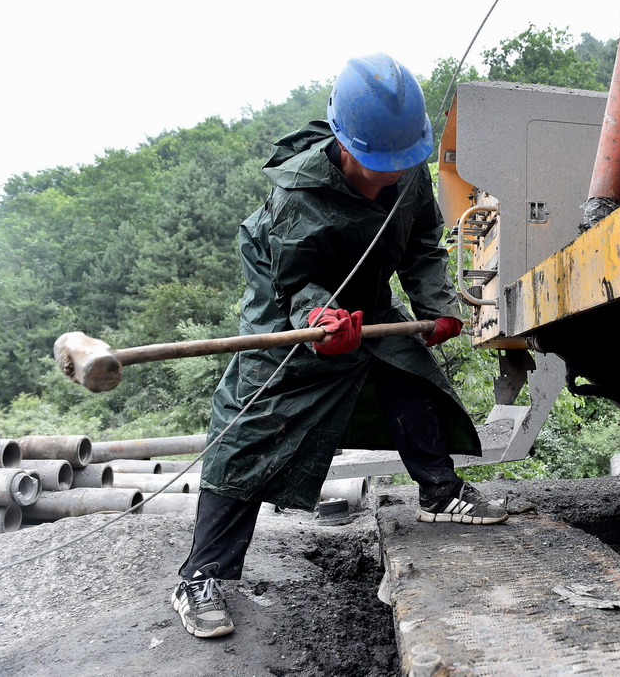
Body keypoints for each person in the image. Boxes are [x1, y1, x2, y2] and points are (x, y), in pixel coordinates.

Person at [171, 53, 508, 639]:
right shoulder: (298, 195)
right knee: (251, 425)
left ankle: (439, 493)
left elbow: (422, 242)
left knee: (410, 372)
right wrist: (318, 319)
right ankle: (201, 576)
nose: (387, 178)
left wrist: (434, 307)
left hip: (368, 301)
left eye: (399, 166)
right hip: (287, 308)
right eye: (376, 167)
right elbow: (294, 283)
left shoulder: (406, 171)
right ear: (343, 143)